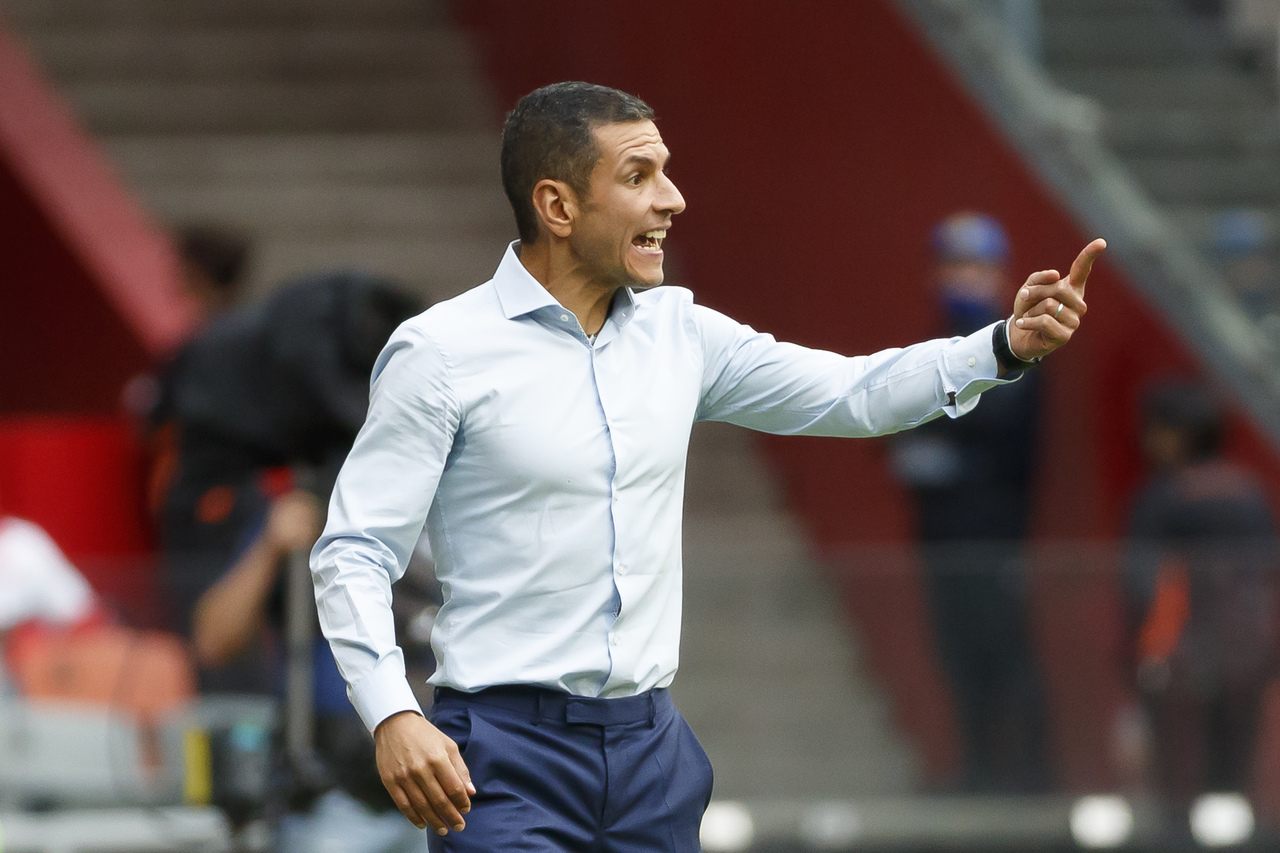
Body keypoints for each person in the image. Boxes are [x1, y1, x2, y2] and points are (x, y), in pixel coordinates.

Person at [310, 81, 1105, 850]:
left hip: (651, 753)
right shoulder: (440, 352)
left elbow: (852, 393)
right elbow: (354, 550)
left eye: (665, 171)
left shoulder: (682, 332)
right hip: (502, 755)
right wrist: (392, 712)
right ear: (557, 206)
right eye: (638, 176)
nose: (673, 198)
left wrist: (1001, 346)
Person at [889, 212, 1050, 792]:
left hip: (994, 529)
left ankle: (1033, 775)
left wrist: (940, 442)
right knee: (957, 652)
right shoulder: (939, 339)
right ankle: (979, 768)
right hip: (943, 530)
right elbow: (901, 415)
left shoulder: (1015, 340)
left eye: (975, 266)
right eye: (953, 266)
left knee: (1004, 650)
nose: (963, 278)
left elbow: (995, 422)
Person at [1124, 381, 1278, 820]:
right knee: (1236, 782)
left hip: (1178, 662)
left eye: (1157, 429)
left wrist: (1149, 655)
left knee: (1179, 786)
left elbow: (1143, 587)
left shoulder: (1164, 497)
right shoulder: (1248, 492)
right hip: (1248, 658)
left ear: (1181, 433)